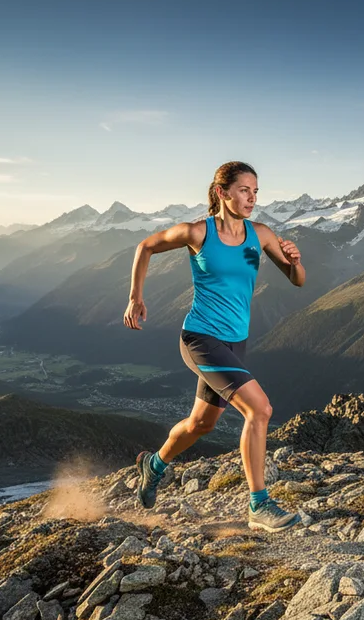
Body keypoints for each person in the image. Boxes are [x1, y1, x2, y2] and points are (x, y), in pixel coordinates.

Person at [122, 161, 305, 532]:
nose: (252, 198)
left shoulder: (262, 234)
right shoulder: (197, 232)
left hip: (236, 343)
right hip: (201, 339)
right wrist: (134, 297)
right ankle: (259, 505)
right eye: (244, 190)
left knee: (201, 424)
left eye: (256, 191)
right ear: (222, 192)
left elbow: (298, 280)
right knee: (261, 409)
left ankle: (153, 465)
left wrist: (297, 261)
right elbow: (145, 247)